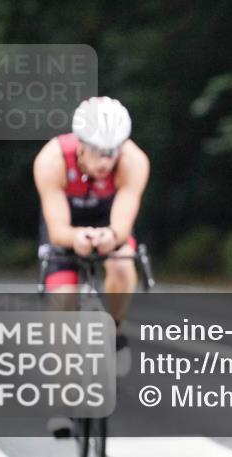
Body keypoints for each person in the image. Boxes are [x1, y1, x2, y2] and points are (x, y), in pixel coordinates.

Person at [33, 96, 150, 348]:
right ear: (81, 144)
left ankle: (116, 327)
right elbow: (58, 231)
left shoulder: (134, 161)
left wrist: (112, 236)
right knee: (63, 304)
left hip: (107, 214)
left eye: (113, 151)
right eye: (98, 151)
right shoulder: (51, 160)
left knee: (122, 263)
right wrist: (76, 237)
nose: (106, 161)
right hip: (66, 216)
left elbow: (122, 224)